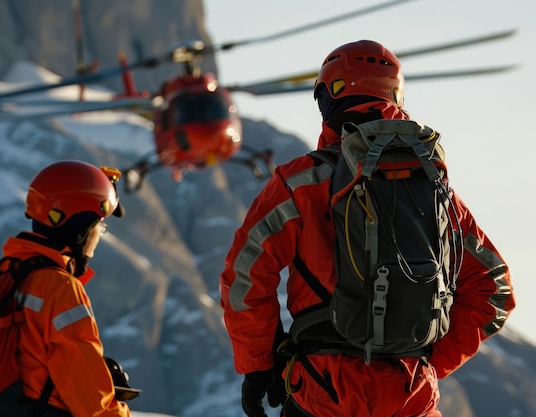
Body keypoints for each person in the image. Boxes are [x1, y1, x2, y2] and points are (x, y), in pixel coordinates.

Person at [219, 40, 516, 417]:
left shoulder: (300, 183)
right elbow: (495, 290)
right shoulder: (434, 190)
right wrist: (424, 360)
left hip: (323, 392)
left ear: (329, 98)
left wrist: (259, 365)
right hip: (412, 397)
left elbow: (244, 276)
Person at [4, 160, 132, 417]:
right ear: (81, 230)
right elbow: (93, 405)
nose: (100, 236)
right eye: (100, 226)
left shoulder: (4, 276)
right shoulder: (61, 290)